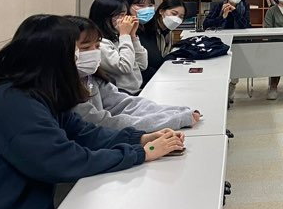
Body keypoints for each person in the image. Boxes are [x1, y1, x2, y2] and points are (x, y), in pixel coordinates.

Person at [0, 15, 183, 209]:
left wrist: (140, 139)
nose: (83, 59)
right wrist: (139, 154)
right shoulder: (13, 103)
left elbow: (84, 132)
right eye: (78, 51)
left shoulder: (38, 93)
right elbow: (65, 161)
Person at [68, 16, 199, 130]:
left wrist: (176, 112)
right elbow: (104, 123)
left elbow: (125, 103)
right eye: (85, 48)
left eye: (97, 47)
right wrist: (173, 120)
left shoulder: (91, 78)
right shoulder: (67, 89)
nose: (94, 52)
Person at [88, 0, 147, 95]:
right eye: (119, 15)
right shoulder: (99, 44)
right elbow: (124, 67)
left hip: (135, 90)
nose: (124, 19)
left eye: (125, 14)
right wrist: (125, 35)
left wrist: (133, 36)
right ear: (104, 17)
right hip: (120, 93)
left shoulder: (117, 38)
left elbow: (142, 64)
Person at [136, 0, 186, 86]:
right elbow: (152, 62)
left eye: (181, 17)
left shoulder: (168, 32)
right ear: (161, 11)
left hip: (159, 75)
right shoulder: (147, 31)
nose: (177, 19)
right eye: (174, 13)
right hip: (147, 81)